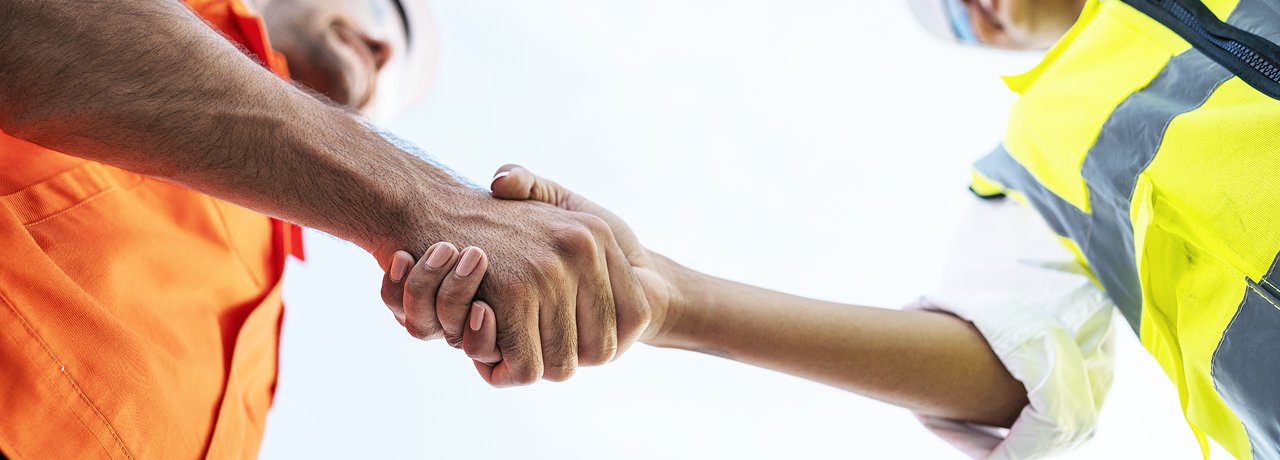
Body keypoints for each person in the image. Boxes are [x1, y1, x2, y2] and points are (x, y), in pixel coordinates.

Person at [403, 0, 1280, 458]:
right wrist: (674, 300)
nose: (962, 4)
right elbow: (1012, 369)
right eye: (953, 18)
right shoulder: (1031, 162)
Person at [0, 0, 651, 458]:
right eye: (381, 7)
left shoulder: (264, 353)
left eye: (397, 89)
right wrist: (426, 202)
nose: (383, 49)